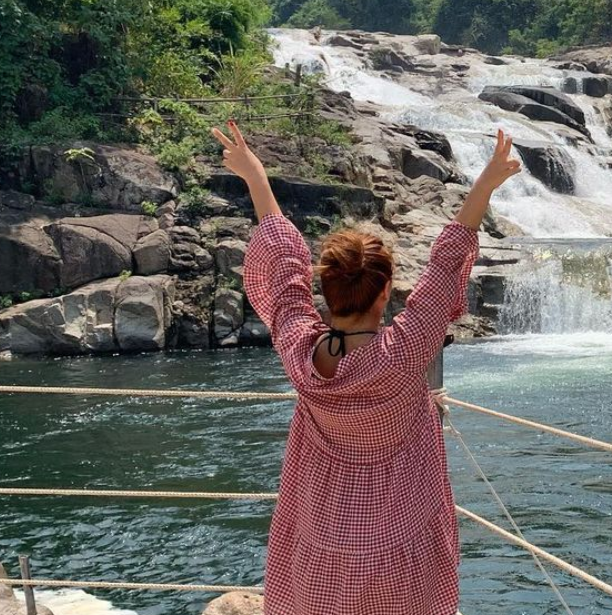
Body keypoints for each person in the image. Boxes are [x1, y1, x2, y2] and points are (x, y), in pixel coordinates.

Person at [211, 120, 521, 615]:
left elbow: (287, 272)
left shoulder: (301, 353)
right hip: (399, 546)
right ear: (385, 294)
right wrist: (484, 184)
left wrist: (256, 178)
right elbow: (445, 267)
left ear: (328, 293)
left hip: (323, 545)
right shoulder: (405, 351)